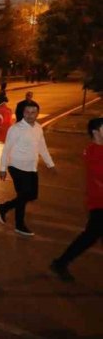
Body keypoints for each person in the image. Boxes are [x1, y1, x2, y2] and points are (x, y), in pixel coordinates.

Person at [50, 117, 103, 281]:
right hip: (99, 204)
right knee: (89, 237)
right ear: (95, 132)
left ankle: (60, 263)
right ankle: (60, 263)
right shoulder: (92, 151)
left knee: (89, 237)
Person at [0, 101, 55, 236]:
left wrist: (50, 164)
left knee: (32, 195)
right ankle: (19, 225)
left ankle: (3, 207)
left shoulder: (38, 128)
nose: (30, 115)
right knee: (23, 195)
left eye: (33, 112)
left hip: (31, 167)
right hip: (17, 166)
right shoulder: (16, 129)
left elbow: (42, 147)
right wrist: (2, 168)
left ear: (37, 114)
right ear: (23, 113)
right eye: (27, 112)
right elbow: (6, 149)